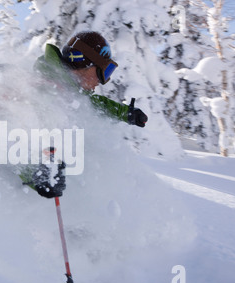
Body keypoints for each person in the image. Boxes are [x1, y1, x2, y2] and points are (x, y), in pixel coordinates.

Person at [20, 31, 148, 199]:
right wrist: (38, 173)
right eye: (103, 72)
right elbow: (10, 139)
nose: (102, 81)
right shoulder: (45, 88)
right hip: (8, 193)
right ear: (84, 64)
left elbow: (96, 103)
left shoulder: (70, 89)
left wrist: (126, 113)